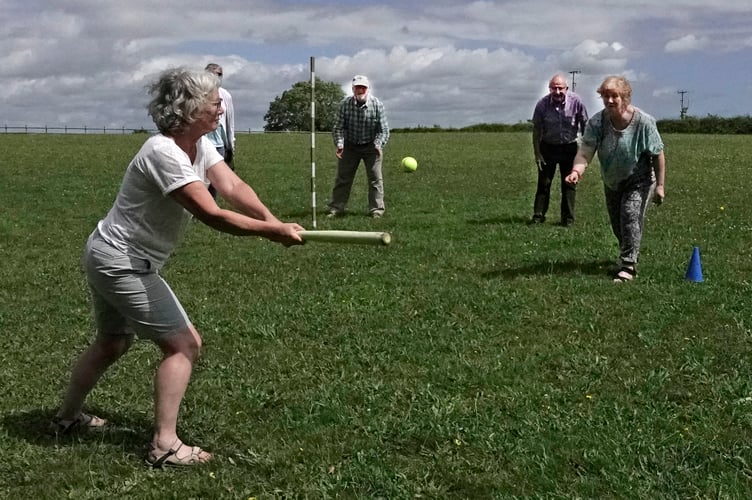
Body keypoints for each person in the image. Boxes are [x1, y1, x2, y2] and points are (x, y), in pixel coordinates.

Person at [49, 67, 305, 466]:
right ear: (191, 109)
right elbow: (212, 213)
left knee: (112, 342)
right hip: (122, 263)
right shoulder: (162, 152)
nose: (222, 108)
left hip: (108, 254)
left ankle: (67, 418)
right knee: (184, 344)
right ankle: (164, 446)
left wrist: (273, 221)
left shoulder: (199, 146)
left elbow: (233, 186)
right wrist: (271, 233)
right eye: (215, 102)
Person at [564, 76, 666, 282]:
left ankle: (629, 266)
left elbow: (658, 154)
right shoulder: (597, 122)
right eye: (605, 96)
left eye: (614, 96)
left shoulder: (643, 122)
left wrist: (661, 186)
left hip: (640, 179)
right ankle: (628, 254)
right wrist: (576, 171)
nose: (609, 101)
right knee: (618, 225)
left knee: (630, 216)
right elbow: (585, 151)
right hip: (612, 180)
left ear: (625, 97)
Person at [328, 74, 390, 218]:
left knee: (375, 179)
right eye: (357, 87)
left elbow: (384, 130)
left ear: (367, 89)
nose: (360, 90)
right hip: (350, 146)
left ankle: (376, 210)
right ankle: (337, 208)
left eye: (363, 87)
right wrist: (340, 144)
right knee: (343, 178)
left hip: (371, 146)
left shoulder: (377, 105)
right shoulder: (344, 104)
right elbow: (338, 127)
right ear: (353, 89)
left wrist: (378, 144)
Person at [531, 74, 589, 226]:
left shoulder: (576, 102)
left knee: (569, 184)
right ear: (549, 89)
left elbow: (585, 125)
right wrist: (537, 153)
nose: (557, 92)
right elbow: (536, 130)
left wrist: (584, 152)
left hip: (569, 148)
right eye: (554, 88)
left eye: (560, 88)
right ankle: (538, 216)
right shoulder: (542, 104)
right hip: (547, 147)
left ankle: (568, 219)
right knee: (544, 183)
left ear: (566, 88)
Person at [204, 63, 235, 198]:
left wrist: (231, 144)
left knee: (216, 178)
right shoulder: (199, 93)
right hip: (203, 141)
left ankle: (211, 204)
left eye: (219, 74)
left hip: (220, 143)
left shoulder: (225, 95)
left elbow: (230, 120)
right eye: (213, 73)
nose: (217, 77)